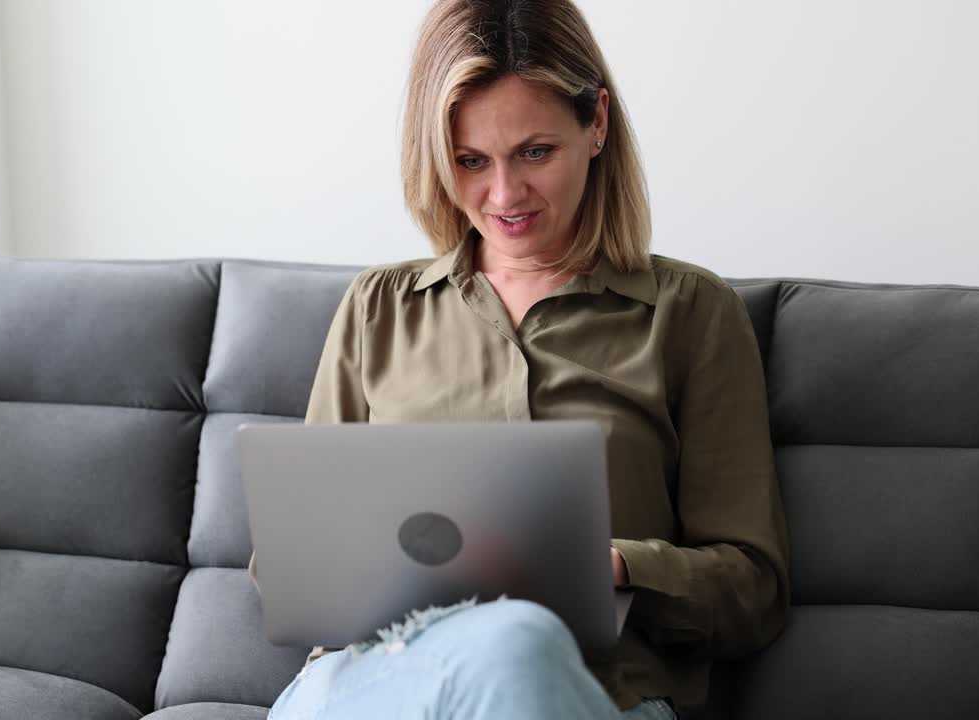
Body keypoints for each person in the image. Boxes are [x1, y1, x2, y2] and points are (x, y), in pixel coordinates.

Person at [252, 1, 790, 717]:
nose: (504, 196)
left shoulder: (689, 315)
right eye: (471, 162)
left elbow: (753, 590)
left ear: (595, 122)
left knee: (517, 643)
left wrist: (620, 568)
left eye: (535, 152)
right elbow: (287, 564)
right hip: (381, 684)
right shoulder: (378, 309)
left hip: (589, 691)